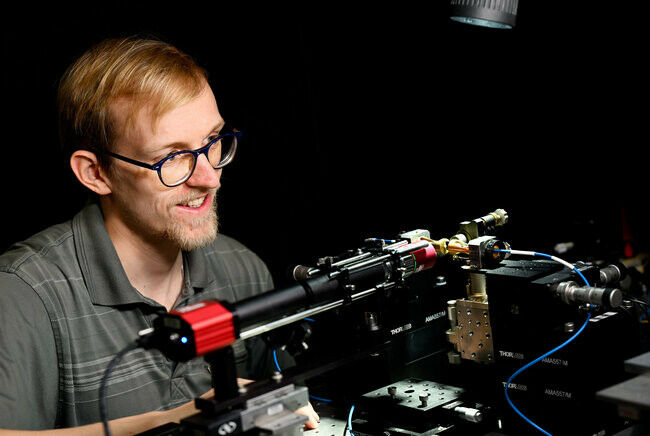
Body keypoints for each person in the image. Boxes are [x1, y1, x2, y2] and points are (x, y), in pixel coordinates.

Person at [0, 37, 318, 433]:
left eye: (212, 142)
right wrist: (175, 421)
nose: (209, 178)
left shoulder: (242, 268)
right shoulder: (23, 294)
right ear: (95, 173)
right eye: (172, 158)